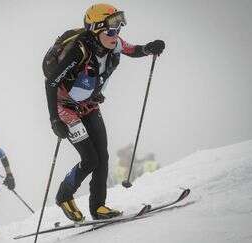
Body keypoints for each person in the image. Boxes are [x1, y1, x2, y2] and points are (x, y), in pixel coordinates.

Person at [44, 3, 165, 222]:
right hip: (67, 110)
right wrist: (54, 119)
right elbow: (51, 83)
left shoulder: (115, 44)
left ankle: (98, 207)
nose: (116, 33)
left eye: (119, 26)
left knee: (103, 156)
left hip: (89, 105)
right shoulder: (78, 50)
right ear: (96, 28)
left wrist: (149, 48)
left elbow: (134, 50)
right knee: (90, 159)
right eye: (111, 28)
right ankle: (64, 195)